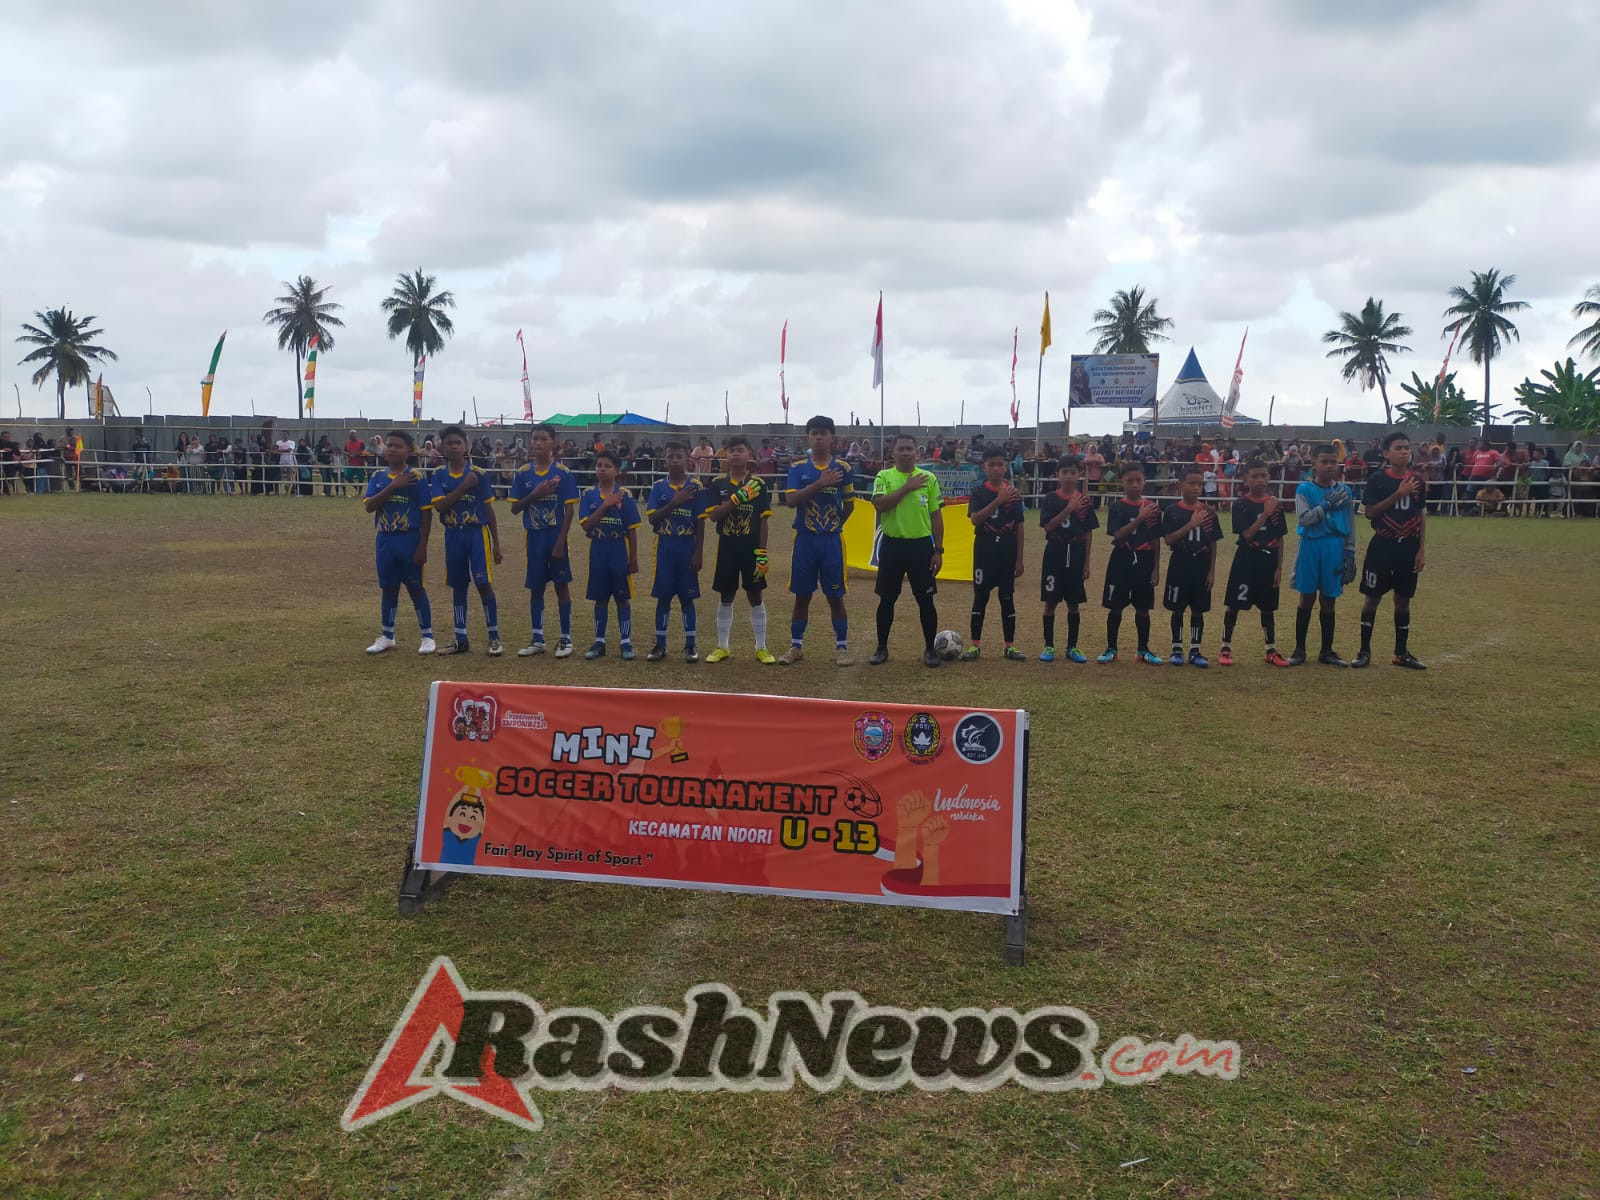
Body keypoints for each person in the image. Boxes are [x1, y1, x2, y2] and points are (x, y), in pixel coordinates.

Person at [780, 415, 855, 666]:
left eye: (824, 432)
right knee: (802, 596)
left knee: (835, 597)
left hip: (831, 541)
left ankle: (842, 648)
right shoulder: (797, 467)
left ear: (832, 438)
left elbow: (849, 505)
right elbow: (791, 500)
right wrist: (820, 483)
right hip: (805, 540)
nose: (819, 437)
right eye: (815, 433)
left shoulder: (843, 468)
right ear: (808, 437)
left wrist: (834, 526)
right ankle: (796, 646)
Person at [868, 433, 943, 668]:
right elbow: (879, 504)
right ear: (893, 452)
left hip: (921, 547)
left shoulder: (929, 479)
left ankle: (930, 649)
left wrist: (938, 550)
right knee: (887, 600)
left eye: (910, 448)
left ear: (917, 452)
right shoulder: (885, 476)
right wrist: (907, 488)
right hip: (892, 546)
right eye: (901, 449)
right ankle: (881, 647)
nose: (906, 453)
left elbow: (936, 517)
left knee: (926, 600)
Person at [1353, 431, 1427, 670]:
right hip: (1382, 546)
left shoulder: (1418, 480)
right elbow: (1370, 513)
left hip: (1408, 547)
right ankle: (1364, 651)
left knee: (1403, 600)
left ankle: (1401, 652)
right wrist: (1398, 494)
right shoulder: (1378, 480)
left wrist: (1421, 550)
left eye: (1407, 447)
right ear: (1386, 453)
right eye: (1398, 448)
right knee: (1372, 598)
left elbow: (1420, 515)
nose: (1404, 451)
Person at [428, 425, 504, 657]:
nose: (453, 446)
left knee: (483, 584)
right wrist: (463, 486)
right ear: (442, 447)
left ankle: (494, 637)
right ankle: (461, 638)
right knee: (458, 585)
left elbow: (489, 510)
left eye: (457, 442)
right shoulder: (439, 474)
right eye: (449, 442)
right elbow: (440, 506)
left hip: (476, 534)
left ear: (466, 446)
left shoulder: (479, 474)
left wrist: (496, 543)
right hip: (453, 534)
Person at [508, 423, 581, 658]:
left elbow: (569, 511)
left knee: (561, 586)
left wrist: (561, 541)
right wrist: (535, 494)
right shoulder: (523, 474)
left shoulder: (563, 474)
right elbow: (515, 508)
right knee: (536, 588)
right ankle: (537, 638)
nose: (538, 443)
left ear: (553, 443)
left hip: (555, 537)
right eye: (535, 439)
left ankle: (566, 639)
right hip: (534, 539)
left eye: (543, 439)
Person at [362, 431, 436, 655]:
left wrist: (422, 546)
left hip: (409, 538)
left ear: (409, 451)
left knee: (415, 587)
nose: (392, 449)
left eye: (398, 446)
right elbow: (369, 506)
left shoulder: (416, 477)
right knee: (388, 587)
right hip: (385, 539)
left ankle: (427, 636)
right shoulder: (377, 476)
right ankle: (387, 635)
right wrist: (394, 486)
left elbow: (426, 513)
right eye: (389, 445)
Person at [703, 436, 776, 664]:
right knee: (726, 595)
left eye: (740, 450)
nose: (735, 454)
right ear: (726, 455)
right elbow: (714, 516)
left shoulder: (759, 484)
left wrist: (762, 553)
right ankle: (722, 647)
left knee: (755, 594)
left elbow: (764, 520)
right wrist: (736, 499)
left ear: (749, 454)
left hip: (751, 546)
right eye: (731, 450)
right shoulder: (717, 483)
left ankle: (761, 647)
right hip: (727, 544)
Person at [1218, 461, 1291, 667]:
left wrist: (1278, 568)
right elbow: (1248, 534)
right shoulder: (1241, 504)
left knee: (1268, 608)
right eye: (1255, 476)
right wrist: (1266, 513)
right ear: (1246, 479)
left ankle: (1270, 650)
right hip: (1246, 560)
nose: (1260, 480)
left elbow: (1280, 538)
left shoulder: (1276, 505)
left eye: (1264, 476)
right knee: (1234, 605)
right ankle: (1225, 647)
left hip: (1268, 562)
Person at [1289, 444, 1355, 667]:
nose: (1329, 466)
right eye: (1324, 462)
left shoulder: (1345, 491)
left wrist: (1350, 551)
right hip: (1311, 544)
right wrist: (1326, 505)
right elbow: (1304, 519)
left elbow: (1350, 523)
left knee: (1329, 598)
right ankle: (1299, 650)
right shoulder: (1304, 490)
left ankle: (1327, 650)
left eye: (1333, 462)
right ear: (1314, 464)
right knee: (1307, 596)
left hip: (1335, 547)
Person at [645, 442, 710, 662]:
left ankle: (690, 645)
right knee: (663, 597)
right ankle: (660, 644)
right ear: (664, 461)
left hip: (687, 545)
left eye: (678, 456)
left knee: (687, 597)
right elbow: (653, 519)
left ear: (687, 460)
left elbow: (701, 524)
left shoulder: (696, 487)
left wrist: (699, 553)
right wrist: (675, 502)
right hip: (665, 545)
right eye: (670, 456)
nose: (674, 460)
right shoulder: (658, 487)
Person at [1098, 460, 1164, 665]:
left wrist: (1155, 569)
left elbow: (1155, 540)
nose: (1134, 484)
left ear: (1144, 482)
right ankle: (1111, 649)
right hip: (1121, 558)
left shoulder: (1152, 508)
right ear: (1122, 483)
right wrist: (1138, 518)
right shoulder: (1117, 507)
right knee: (1115, 606)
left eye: (1138, 480)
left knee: (1143, 608)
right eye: (1130, 481)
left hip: (1144, 560)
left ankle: (1143, 649)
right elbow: (1118, 534)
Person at [964, 447, 1026, 662]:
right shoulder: (980, 492)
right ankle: (975, 645)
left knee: (1007, 597)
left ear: (1006, 466)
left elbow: (1019, 526)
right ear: (985, 467)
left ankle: (1009, 646)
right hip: (985, 548)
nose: (996, 468)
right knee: (980, 596)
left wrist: (1019, 558)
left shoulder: (1014, 494)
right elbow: (975, 519)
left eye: (1000, 464)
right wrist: (998, 501)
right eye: (992, 465)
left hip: (1006, 550)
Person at [577, 450, 640, 659]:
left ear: (616, 470)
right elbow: (586, 526)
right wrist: (605, 505)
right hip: (598, 551)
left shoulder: (625, 495)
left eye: (607, 466)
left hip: (618, 551)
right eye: (599, 465)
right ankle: (599, 642)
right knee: (600, 599)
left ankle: (626, 642)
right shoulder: (588, 495)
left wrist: (633, 559)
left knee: (622, 599)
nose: (602, 469)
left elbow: (632, 530)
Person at [1037, 456, 1098, 664]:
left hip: (1076, 552)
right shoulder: (1051, 499)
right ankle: (1049, 645)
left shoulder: (1085, 501)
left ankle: (1072, 647)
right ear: (1057, 475)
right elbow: (1048, 526)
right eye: (1065, 472)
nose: (1069, 476)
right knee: (1050, 601)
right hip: (1055, 551)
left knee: (1074, 603)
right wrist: (1068, 509)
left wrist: (1087, 562)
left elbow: (1088, 533)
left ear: (1079, 475)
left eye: (1073, 472)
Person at [1161, 465, 1223, 667]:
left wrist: (1212, 571)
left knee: (1198, 610)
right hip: (1180, 563)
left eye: (1200, 484)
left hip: (1201, 565)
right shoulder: (1172, 511)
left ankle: (1195, 650)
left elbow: (1213, 542)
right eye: (1192, 483)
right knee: (1177, 609)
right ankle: (1176, 648)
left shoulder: (1209, 511)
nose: (1197, 488)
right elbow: (1169, 540)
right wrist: (1191, 524)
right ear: (1181, 485)